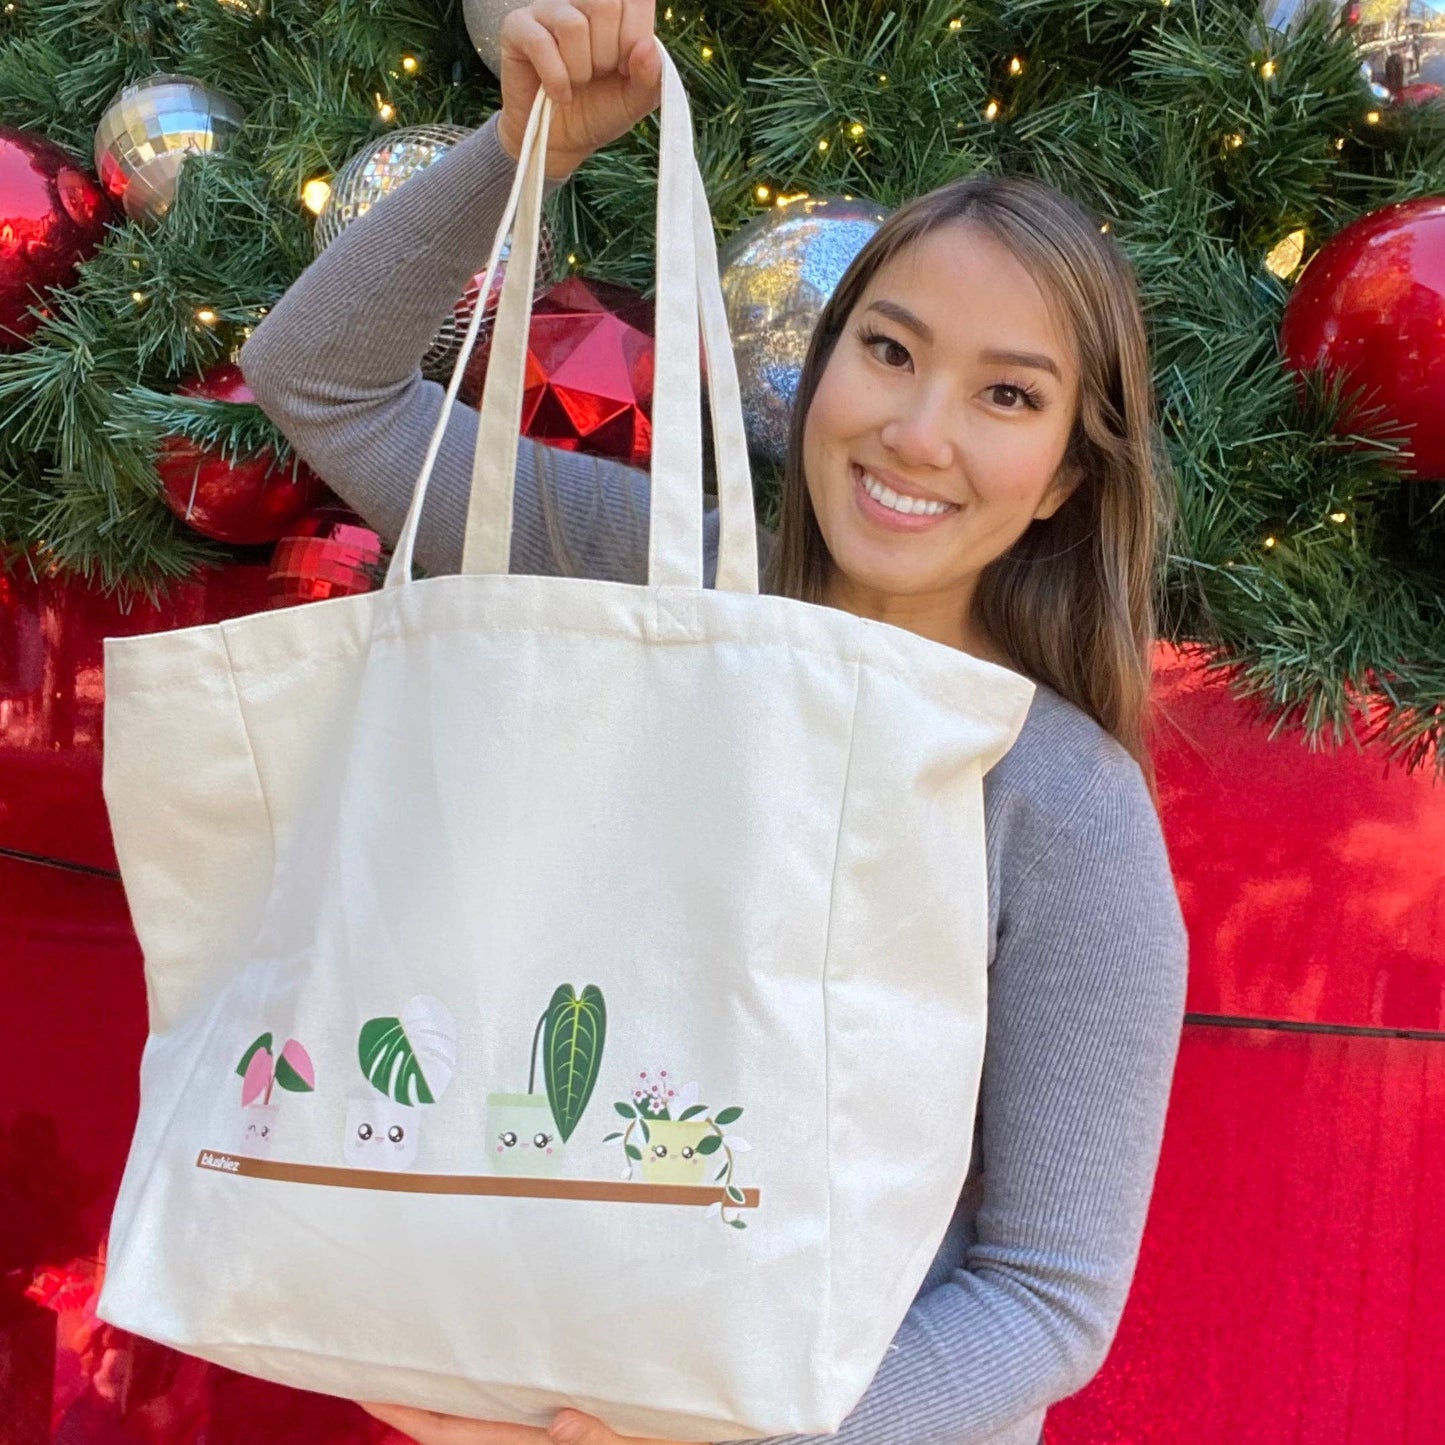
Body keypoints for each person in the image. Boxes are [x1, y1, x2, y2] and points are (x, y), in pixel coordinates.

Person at [235, 3, 1189, 1442]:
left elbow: (1048, 1294)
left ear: (1061, 475)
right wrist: (521, 148)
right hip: (487, 1380)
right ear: (816, 370)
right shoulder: (648, 577)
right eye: (888, 349)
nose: (921, 430)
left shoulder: (1056, 800)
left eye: (1006, 395)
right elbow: (320, 381)